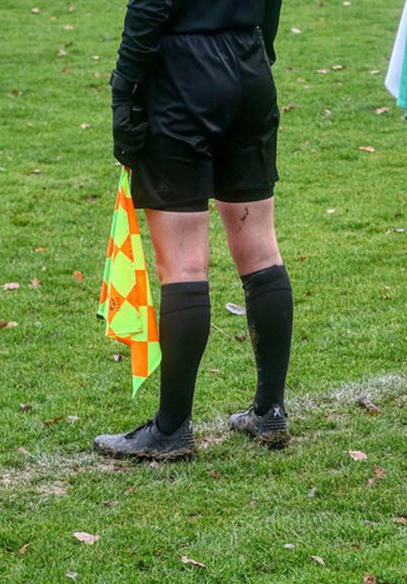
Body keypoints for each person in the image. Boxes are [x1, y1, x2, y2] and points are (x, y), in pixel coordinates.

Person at [92, 0, 293, 460]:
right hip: (249, 65)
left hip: (181, 75)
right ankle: (270, 411)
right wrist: (259, 50)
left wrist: (123, 92)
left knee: (183, 263)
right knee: (261, 249)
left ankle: (171, 429)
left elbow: (150, 4)